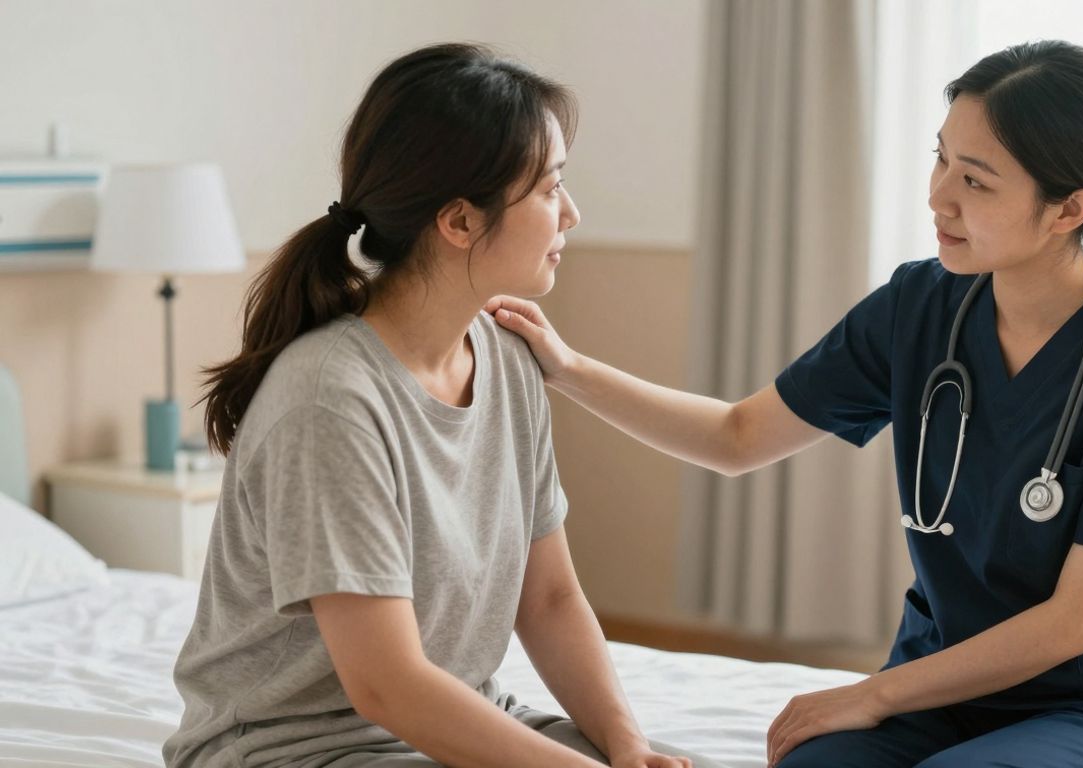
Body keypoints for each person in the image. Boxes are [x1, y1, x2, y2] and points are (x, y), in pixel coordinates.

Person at [488, 40, 1083, 768]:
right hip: (949, 688)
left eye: (976, 180)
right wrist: (568, 368)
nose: (939, 195)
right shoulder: (920, 308)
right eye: (940, 159)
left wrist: (873, 695)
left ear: (1070, 209)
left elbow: (1075, 623)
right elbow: (738, 437)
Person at [165, 43, 715, 768]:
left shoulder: (510, 358)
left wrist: (626, 747)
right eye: (550, 190)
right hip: (295, 748)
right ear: (458, 221)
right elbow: (387, 688)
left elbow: (547, 600)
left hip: (449, 723)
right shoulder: (329, 400)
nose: (572, 214)